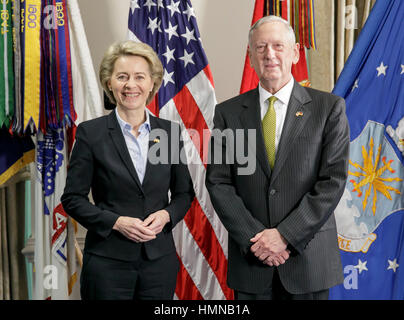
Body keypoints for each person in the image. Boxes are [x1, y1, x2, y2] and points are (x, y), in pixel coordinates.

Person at [206, 16, 350, 300]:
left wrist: (284, 235)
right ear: (250, 56)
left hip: (308, 262)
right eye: (260, 47)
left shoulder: (328, 108)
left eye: (277, 46)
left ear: (295, 52)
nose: (269, 54)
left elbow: (332, 181)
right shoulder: (228, 113)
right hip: (252, 261)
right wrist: (257, 239)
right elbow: (219, 182)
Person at [61, 40, 195, 300]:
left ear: (151, 83)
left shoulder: (169, 133)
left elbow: (184, 194)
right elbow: (72, 199)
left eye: (139, 77)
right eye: (122, 77)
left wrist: (167, 216)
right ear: (109, 83)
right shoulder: (91, 133)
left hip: (159, 263)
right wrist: (117, 222)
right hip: (107, 264)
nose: (130, 85)